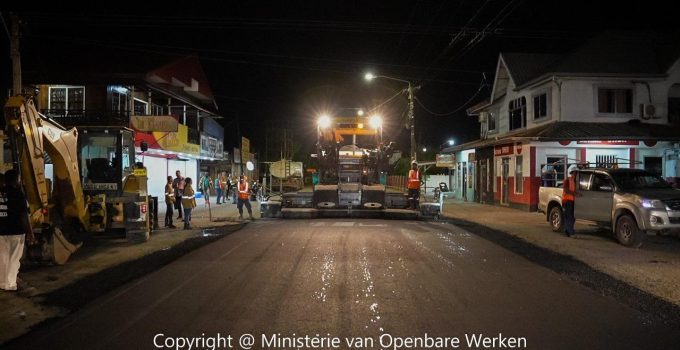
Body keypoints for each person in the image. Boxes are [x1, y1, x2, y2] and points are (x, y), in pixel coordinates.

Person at [0, 170, 34, 292]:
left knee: (2, 258)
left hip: (1, 231)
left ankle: (2, 282)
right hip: (16, 231)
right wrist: (30, 232)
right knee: (14, 258)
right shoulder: (18, 194)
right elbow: (24, 215)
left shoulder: (1, 193)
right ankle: (10, 284)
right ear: (16, 180)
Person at [563, 165, 578, 237]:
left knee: (572, 217)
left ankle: (567, 231)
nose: (577, 174)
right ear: (573, 173)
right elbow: (566, 190)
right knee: (569, 217)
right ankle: (570, 232)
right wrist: (574, 193)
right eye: (576, 172)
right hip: (568, 201)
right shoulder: (568, 180)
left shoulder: (576, 181)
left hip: (573, 201)